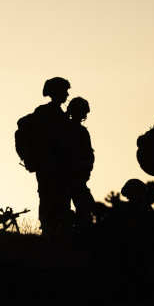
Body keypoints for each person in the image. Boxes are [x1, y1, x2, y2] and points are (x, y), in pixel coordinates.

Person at [27, 77, 73, 236]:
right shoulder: (45, 113)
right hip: (49, 167)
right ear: (56, 92)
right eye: (64, 91)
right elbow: (42, 141)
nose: (67, 94)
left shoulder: (59, 114)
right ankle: (50, 234)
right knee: (50, 201)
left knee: (59, 202)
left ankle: (58, 235)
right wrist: (48, 163)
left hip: (58, 167)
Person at [65, 97, 96, 228]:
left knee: (86, 208)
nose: (84, 115)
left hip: (78, 176)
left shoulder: (81, 131)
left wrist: (86, 169)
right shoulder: (64, 128)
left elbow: (89, 154)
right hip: (66, 176)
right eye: (83, 111)